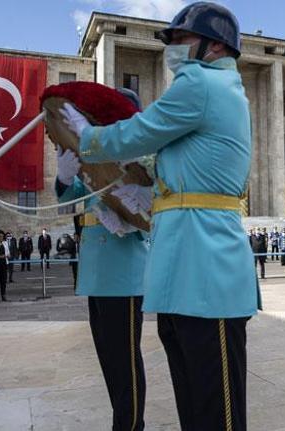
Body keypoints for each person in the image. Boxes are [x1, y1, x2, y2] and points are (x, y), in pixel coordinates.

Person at [60, 4, 257, 428]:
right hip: (184, 269)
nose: (173, 49)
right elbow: (153, 160)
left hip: (206, 267)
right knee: (194, 404)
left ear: (215, 45)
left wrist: (85, 137)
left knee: (216, 411)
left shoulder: (202, 83)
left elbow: (139, 132)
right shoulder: (209, 90)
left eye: (180, 40)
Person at [54, 104, 150, 429]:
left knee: (125, 363)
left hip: (124, 274)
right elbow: (69, 197)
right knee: (110, 362)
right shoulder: (95, 162)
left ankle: (131, 426)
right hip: (96, 273)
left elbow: (150, 213)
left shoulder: (138, 163)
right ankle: (122, 421)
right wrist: (63, 178)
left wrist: (128, 219)